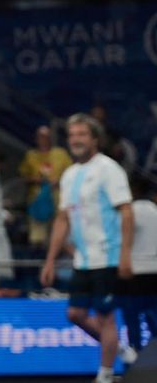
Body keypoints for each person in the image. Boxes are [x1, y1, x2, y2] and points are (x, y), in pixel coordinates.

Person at [40, 113, 134, 383]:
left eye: (82, 134)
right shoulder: (69, 174)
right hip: (82, 260)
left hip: (108, 257)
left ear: (94, 139)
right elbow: (63, 219)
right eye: (71, 135)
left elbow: (126, 213)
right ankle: (120, 349)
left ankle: (105, 375)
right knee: (75, 314)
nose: (76, 140)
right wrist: (50, 260)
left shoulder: (108, 168)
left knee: (106, 318)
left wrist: (125, 256)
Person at [22, 124, 72, 249]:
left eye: (46, 137)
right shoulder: (30, 156)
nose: (43, 139)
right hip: (37, 201)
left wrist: (59, 181)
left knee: (60, 235)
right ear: (36, 139)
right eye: (41, 137)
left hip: (59, 200)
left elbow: (72, 173)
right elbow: (23, 177)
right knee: (38, 239)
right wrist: (35, 179)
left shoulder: (61, 154)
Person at [123, 177, 157, 358]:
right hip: (154, 272)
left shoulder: (130, 213)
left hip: (135, 273)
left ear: (133, 192)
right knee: (154, 317)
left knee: (133, 320)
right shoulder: (156, 211)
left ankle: (135, 355)